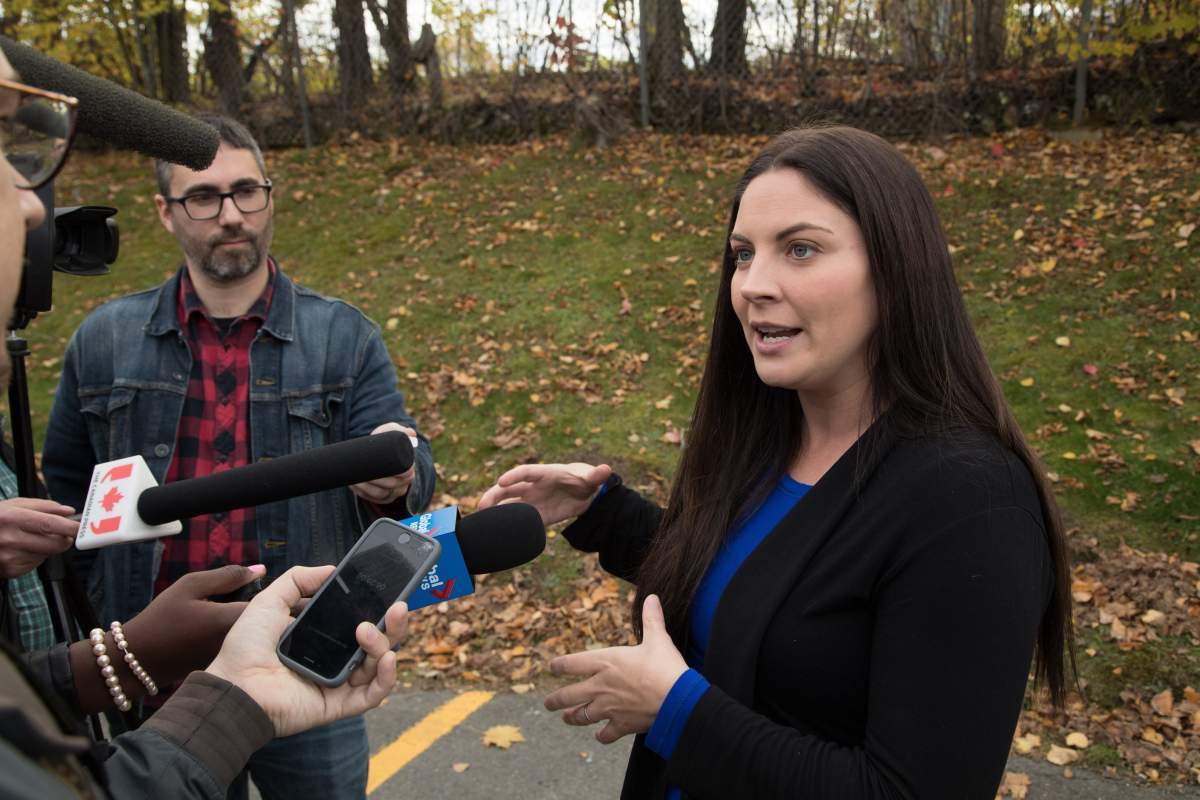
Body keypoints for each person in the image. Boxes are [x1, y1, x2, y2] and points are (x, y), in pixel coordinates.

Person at [479, 125, 1074, 799]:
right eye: (742, 254)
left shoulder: (971, 501)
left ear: (896, 266)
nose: (753, 285)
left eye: (800, 249)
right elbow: (765, 591)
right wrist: (602, 512)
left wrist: (676, 711)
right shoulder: (769, 443)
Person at [0, 49, 408, 800]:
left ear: (270, 198)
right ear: (165, 211)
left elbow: (406, 470)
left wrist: (397, 479)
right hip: (152, 662)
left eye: (247, 191)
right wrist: (108, 632)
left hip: (305, 657)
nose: (231, 214)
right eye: (205, 196)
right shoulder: (104, 340)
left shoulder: (345, 338)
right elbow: (64, 504)